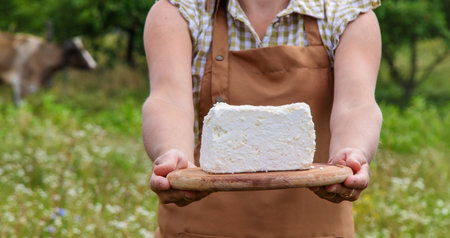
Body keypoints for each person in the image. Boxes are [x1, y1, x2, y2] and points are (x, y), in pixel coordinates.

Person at [142, 0, 382, 237]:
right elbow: (168, 100)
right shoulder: (179, 10)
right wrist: (172, 155)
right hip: (194, 229)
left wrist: (352, 152)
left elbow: (356, 105)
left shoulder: (345, 11)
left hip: (318, 230)